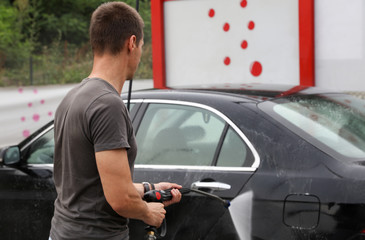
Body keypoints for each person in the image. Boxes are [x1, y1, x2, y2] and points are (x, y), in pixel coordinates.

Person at [49, 2, 182, 240]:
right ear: (131, 43)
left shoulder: (72, 98)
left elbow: (94, 187)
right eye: (141, 45)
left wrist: (150, 189)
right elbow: (120, 198)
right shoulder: (107, 105)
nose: (140, 53)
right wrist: (148, 213)